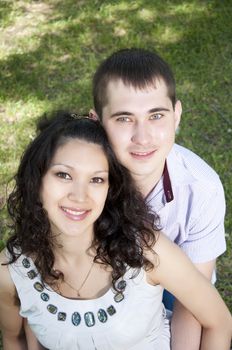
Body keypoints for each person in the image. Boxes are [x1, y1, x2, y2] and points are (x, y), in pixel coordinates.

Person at [0, 111, 231, 350]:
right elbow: (13, 339)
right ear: (36, 180)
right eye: (63, 175)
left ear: (111, 189)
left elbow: (219, 321)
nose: (79, 196)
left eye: (97, 179)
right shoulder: (12, 271)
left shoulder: (148, 252)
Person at [90, 48, 228, 349]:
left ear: (176, 116)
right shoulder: (81, 183)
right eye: (124, 118)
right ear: (97, 122)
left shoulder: (201, 189)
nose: (143, 137)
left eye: (156, 115)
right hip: (100, 278)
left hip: (175, 288)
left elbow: (190, 302)